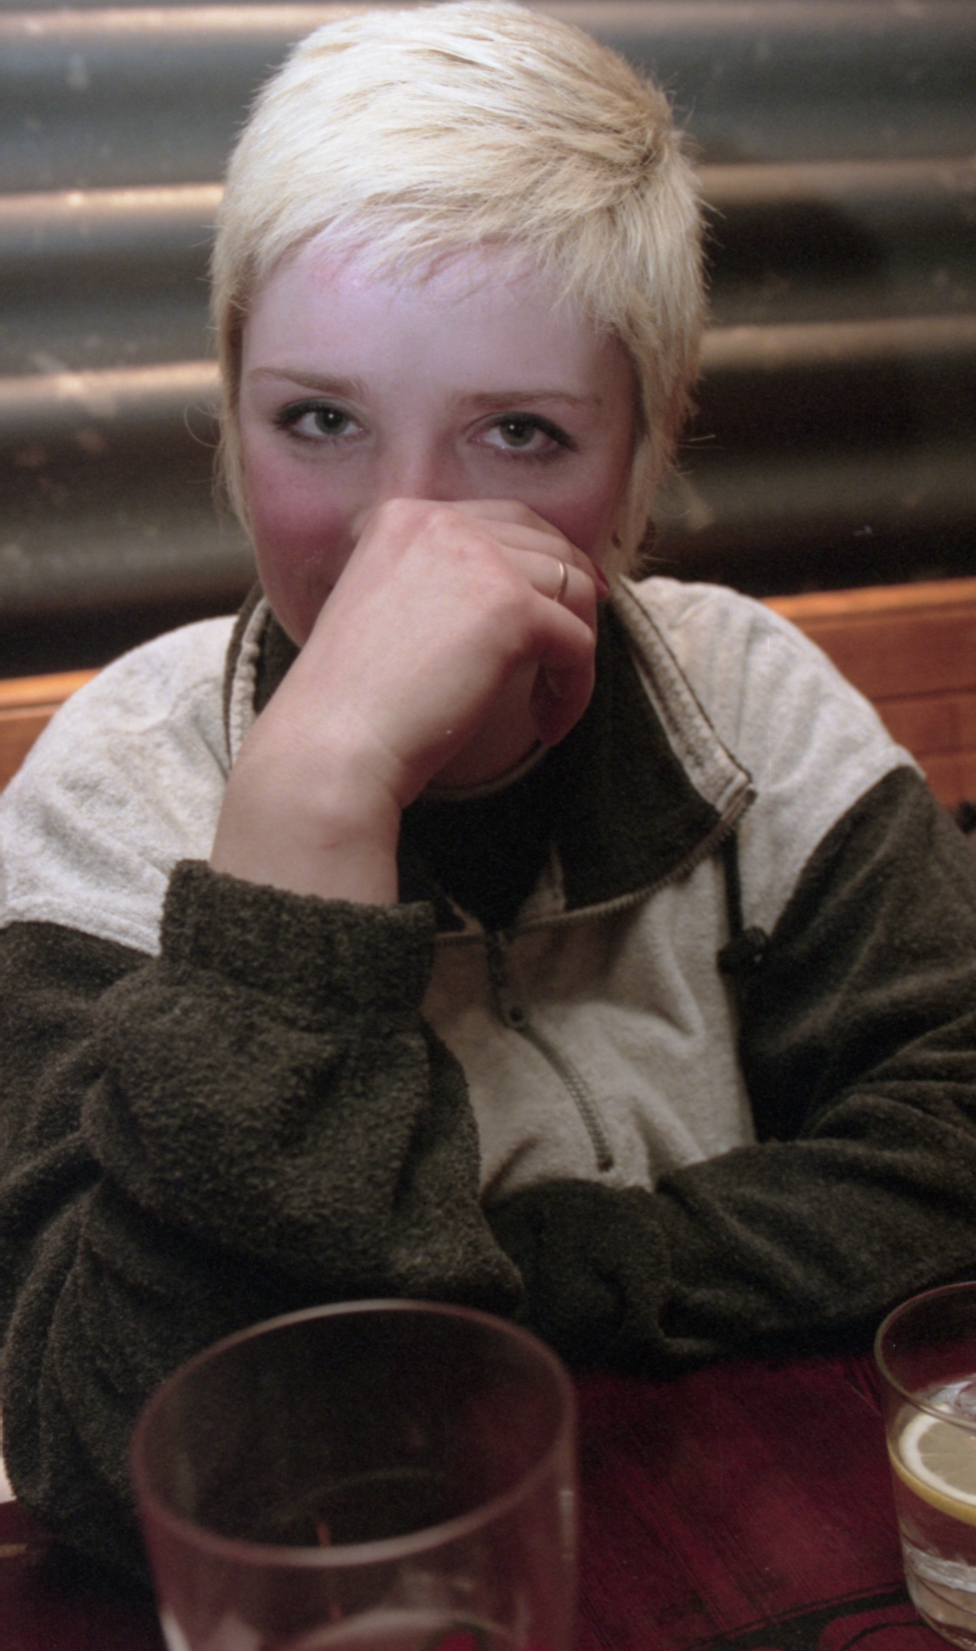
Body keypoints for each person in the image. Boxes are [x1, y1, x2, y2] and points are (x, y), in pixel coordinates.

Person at [2, 0, 976, 1581]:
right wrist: (314, 799)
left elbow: (953, 1136)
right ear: (232, 418)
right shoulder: (112, 799)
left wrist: (525, 1278)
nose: (406, 543)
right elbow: (120, 1460)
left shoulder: (743, 697)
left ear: (646, 452)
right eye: (321, 419)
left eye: (520, 433)